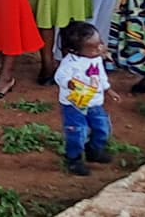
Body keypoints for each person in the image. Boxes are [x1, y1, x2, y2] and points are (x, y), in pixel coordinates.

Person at [54, 21, 116, 176]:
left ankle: (94, 150)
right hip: (74, 105)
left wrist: (108, 89)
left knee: (103, 128)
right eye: (94, 47)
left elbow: (100, 75)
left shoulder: (95, 58)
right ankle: (73, 159)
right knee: (77, 131)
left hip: (95, 102)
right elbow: (60, 76)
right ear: (75, 50)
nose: (100, 48)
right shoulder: (69, 63)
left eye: (100, 43)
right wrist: (69, 83)